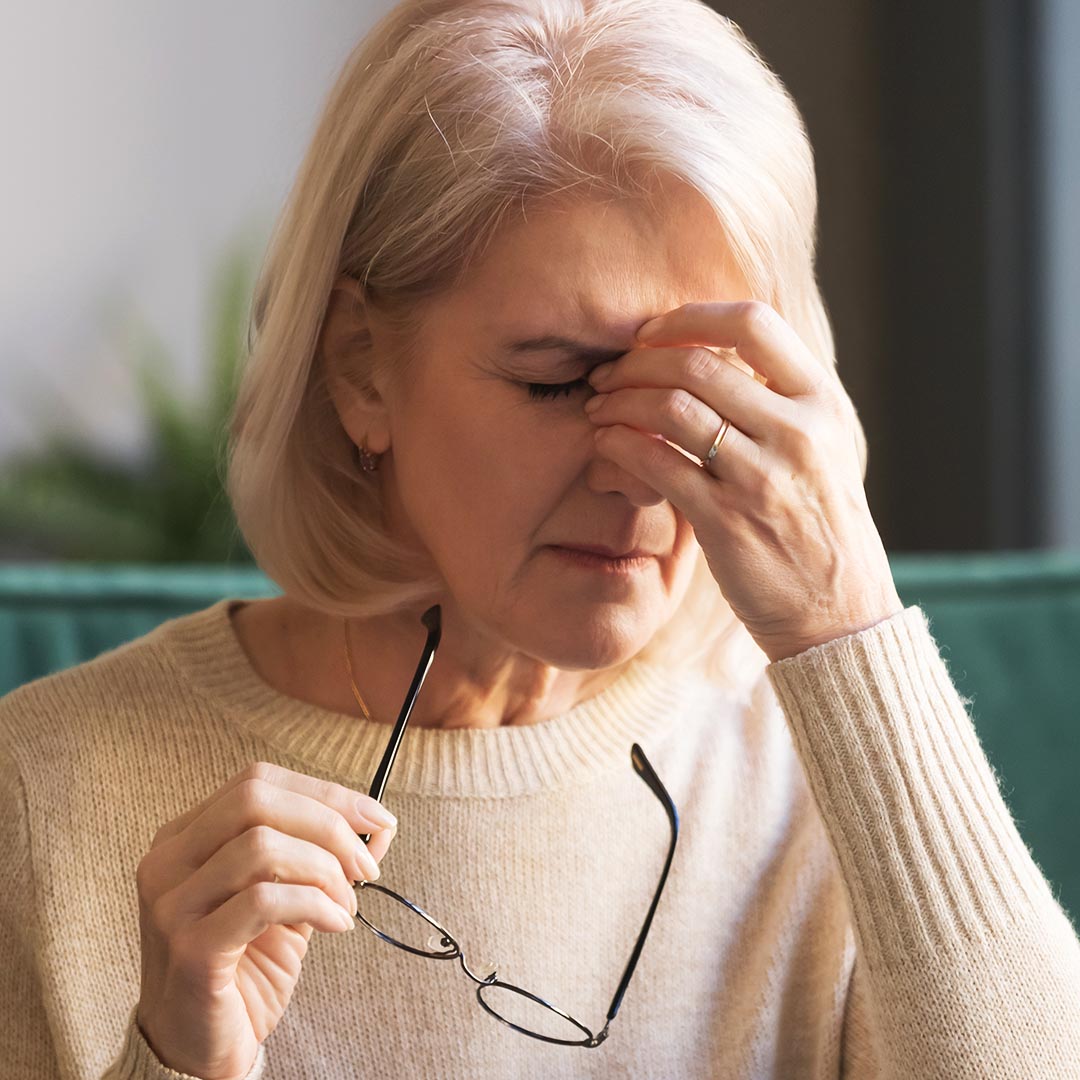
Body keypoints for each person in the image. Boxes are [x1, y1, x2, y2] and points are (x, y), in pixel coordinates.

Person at [2, 0, 1079, 1076]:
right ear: (360, 369)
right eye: (559, 381)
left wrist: (852, 633)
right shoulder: (46, 793)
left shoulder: (830, 759)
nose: (641, 467)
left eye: (709, 393)